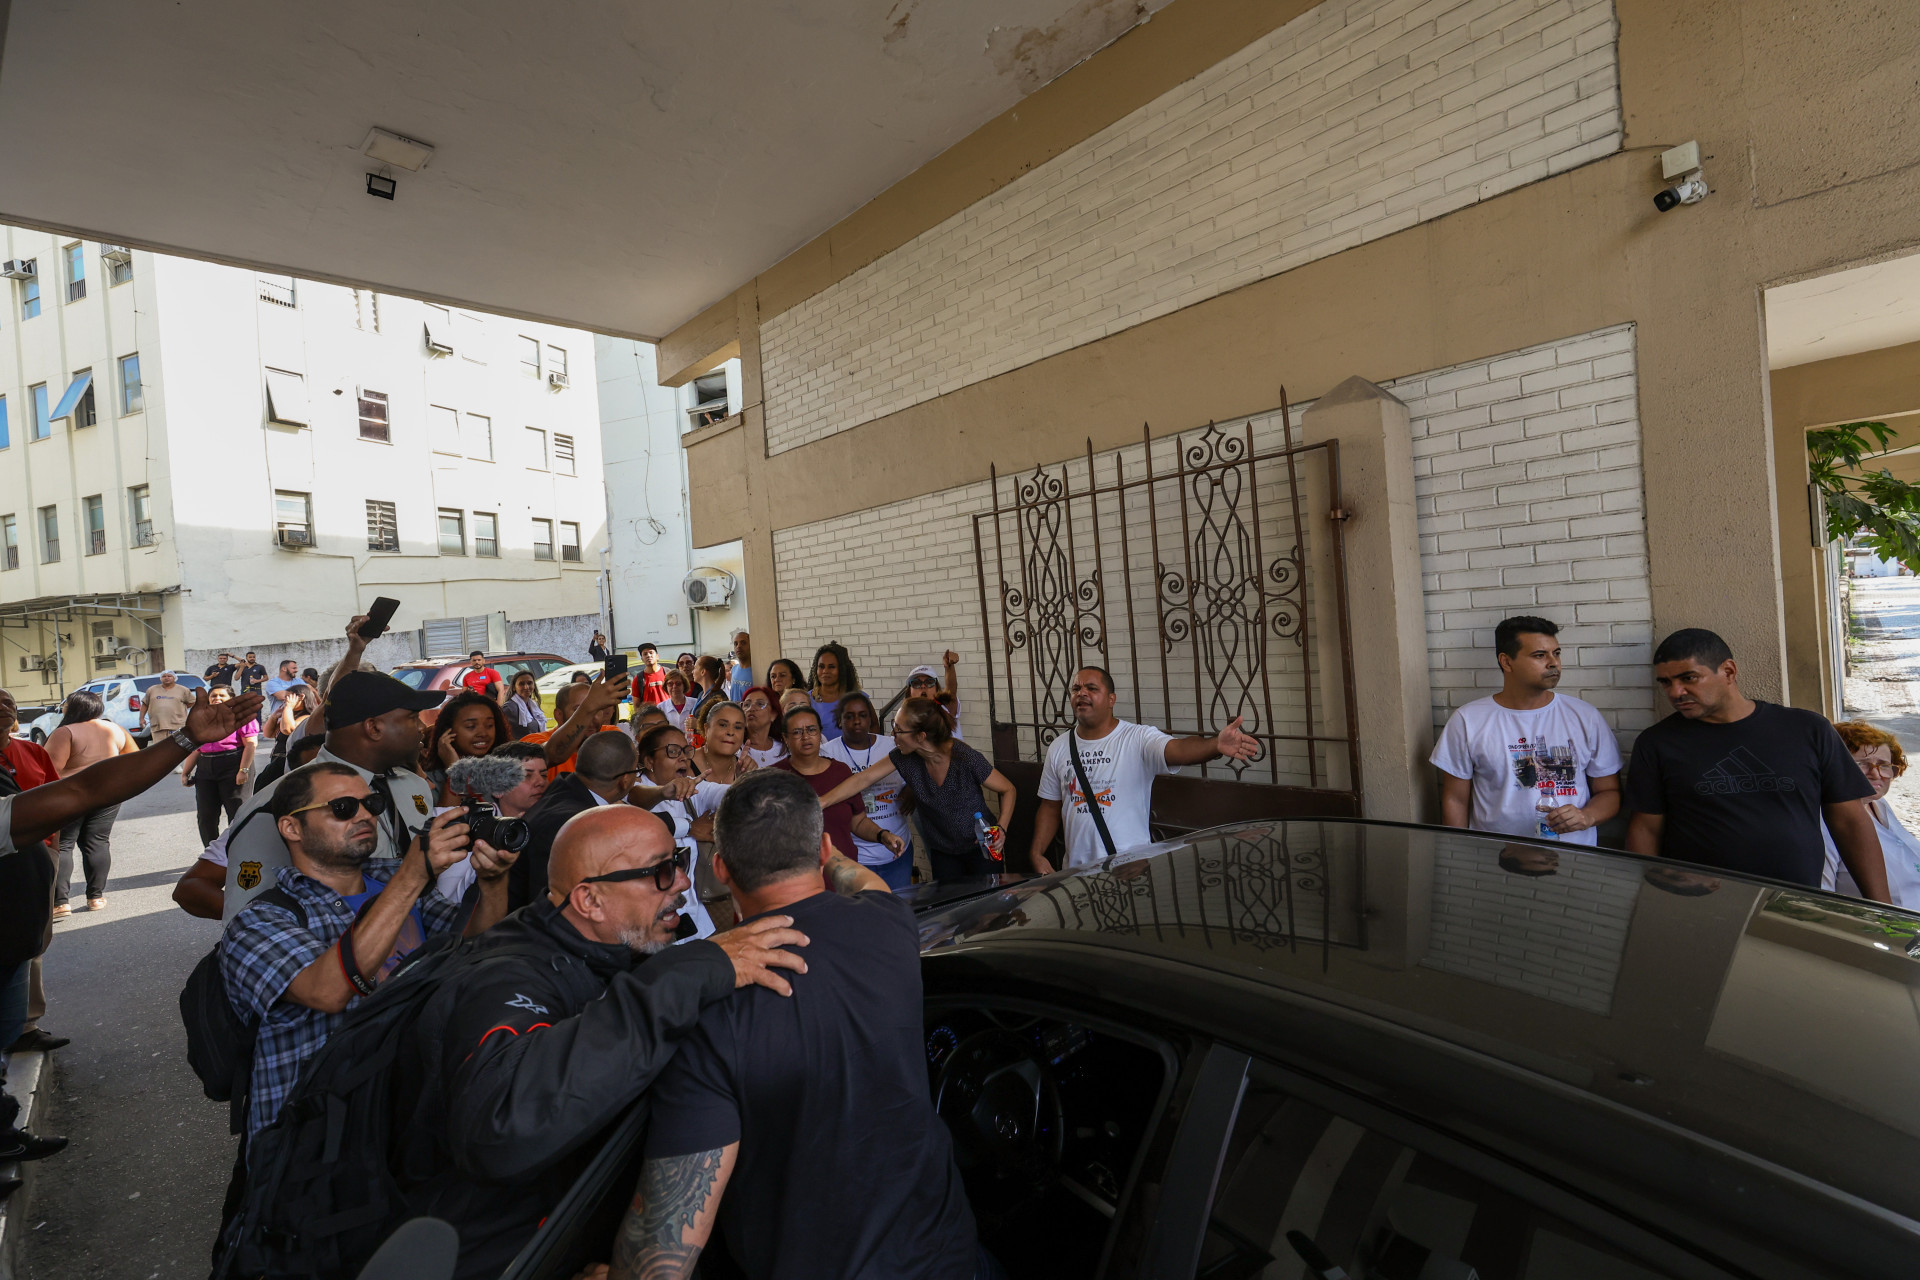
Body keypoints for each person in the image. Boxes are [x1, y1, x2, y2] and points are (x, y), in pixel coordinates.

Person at [388, 804, 809, 1280]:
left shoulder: (599, 951)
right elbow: (503, 1125)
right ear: (589, 901)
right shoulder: (506, 979)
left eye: (682, 864)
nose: (683, 885)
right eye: (661, 873)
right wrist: (687, 976)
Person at [602, 770, 979, 1280]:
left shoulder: (709, 1010)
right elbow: (866, 883)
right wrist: (830, 857)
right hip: (948, 1256)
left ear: (721, 868)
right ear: (822, 849)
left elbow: (663, 1253)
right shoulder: (889, 926)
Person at [218, 762, 515, 1143]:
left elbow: (476, 946)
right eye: (343, 807)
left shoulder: (394, 877)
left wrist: (493, 880)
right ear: (291, 827)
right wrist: (414, 873)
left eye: (370, 804)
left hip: (417, 1114)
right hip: (318, 1144)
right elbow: (327, 991)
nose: (364, 816)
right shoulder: (261, 921)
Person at [1623, 629, 1889, 900]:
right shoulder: (1657, 743)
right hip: (1702, 908)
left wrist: (1884, 909)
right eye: (1666, 683)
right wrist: (1658, 887)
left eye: (1688, 678)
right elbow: (1645, 828)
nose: (1676, 692)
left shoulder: (1807, 729)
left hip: (1794, 904)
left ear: (1728, 671)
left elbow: (1850, 822)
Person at [1028, 666, 1261, 874]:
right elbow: (1050, 805)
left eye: (1091, 688)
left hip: (1128, 870)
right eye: (1076, 688)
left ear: (1111, 699)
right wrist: (1037, 853)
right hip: (1075, 873)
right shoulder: (1059, 747)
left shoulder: (1137, 738)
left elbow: (1178, 749)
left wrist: (1214, 745)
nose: (1082, 693)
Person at [1430, 616, 1622, 844]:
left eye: (1557, 653)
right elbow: (1455, 800)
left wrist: (1586, 816)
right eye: (1540, 655)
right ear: (1506, 662)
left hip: (1574, 862)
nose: (1553, 663)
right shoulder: (1468, 720)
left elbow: (1610, 792)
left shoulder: (1585, 716)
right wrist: (1459, 855)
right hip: (1496, 861)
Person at [819, 697, 1008, 882]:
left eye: (899, 729)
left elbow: (1009, 789)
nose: (893, 734)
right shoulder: (904, 757)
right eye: (894, 725)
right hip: (943, 851)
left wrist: (1001, 828)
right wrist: (822, 801)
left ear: (920, 736)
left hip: (982, 846)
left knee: (988, 904)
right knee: (951, 907)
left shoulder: (965, 758)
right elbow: (863, 779)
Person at [0, 689, 69, 1061]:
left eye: (8, 703)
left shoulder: (31, 751)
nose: (3, 708)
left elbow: (56, 795)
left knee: (34, 941)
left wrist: (52, 847)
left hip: (37, 857)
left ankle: (26, 1025)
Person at [510, 731, 641, 910]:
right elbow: (554, 908)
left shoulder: (563, 790)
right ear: (625, 780)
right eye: (637, 771)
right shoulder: (574, 823)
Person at [46, 690, 139, 914]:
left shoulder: (64, 732)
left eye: (66, 704)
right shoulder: (115, 729)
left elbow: (51, 769)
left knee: (64, 844)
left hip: (71, 793)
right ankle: (95, 898)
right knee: (97, 842)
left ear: (74, 707)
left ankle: (60, 902)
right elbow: (134, 758)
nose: (64, 708)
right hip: (108, 793)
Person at [773, 706, 904, 865]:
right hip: (797, 877)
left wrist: (882, 835)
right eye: (797, 732)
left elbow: (858, 822)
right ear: (785, 738)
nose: (806, 736)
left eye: (811, 729)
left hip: (845, 874)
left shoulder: (840, 771)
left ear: (820, 733)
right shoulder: (774, 777)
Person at [635, 725, 729, 938]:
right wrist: (690, 827)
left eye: (686, 751)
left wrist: (749, 784)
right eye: (673, 751)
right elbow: (638, 821)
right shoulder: (632, 792)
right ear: (649, 761)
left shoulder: (694, 789)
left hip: (694, 921)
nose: (683, 758)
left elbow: (728, 794)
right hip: (650, 928)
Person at [1820, 721, 1920, 906]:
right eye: (1862, 764)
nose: (1876, 774)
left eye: (1884, 765)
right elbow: (1822, 899)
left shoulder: (1878, 805)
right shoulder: (1824, 824)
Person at [822, 693, 914, 889]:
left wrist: (912, 788)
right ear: (839, 720)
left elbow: (919, 772)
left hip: (897, 851)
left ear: (871, 718)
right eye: (849, 716)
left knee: (898, 911)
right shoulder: (827, 753)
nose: (857, 721)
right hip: (855, 855)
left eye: (862, 715)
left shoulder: (892, 746)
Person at [183, 685, 259, 845]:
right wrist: (186, 771)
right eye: (213, 696)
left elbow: (251, 745)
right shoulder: (203, 720)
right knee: (206, 815)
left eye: (221, 696)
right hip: (206, 766)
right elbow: (197, 749)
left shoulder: (241, 717)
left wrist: (243, 770)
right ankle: (211, 854)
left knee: (237, 812)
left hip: (234, 763)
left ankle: (239, 850)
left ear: (231, 699)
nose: (216, 698)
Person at [424, 691, 511, 803]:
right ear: (448, 731)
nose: (483, 733)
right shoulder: (430, 782)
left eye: (489, 725)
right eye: (471, 726)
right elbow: (446, 819)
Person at [690, 701, 754, 785]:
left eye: (738, 727)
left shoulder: (746, 769)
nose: (731, 732)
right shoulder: (684, 764)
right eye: (723, 725)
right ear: (706, 729)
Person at [806, 642, 858, 740]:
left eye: (831, 667)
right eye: (821, 666)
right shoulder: (806, 700)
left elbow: (873, 727)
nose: (825, 671)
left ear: (842, 670)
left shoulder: (857, 698)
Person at [484, 742, 550, 818]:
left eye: (544, 775)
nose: (541, 782)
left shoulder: (563, 821)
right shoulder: (475, 827)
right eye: (526, 776)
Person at [139, 670, 196, 743]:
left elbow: (192, 702)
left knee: (177, 747)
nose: (166, 678)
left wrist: (179, 708)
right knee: (159, 748)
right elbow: (145, 704)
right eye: (164, 676)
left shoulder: (183, 690)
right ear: (161, 678)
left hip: (177, 725)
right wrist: (141, 718)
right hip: (158, 726)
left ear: (174, 678)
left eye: (169, 676)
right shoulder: (152, 689)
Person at [739, 687, 787, 769]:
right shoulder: (736, 748)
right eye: (746, 705)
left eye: (760, 704)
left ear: (773, 714)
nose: (751, 709)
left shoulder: (783, 750)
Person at [502, 671, 547, 740]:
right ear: (514, 687)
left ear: (534, 685)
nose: (526, 687)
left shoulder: (533, 705)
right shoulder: (509, 708)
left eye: (529, 683)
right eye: (521, 684)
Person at [262, 659, 304, 726]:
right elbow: (282, 696)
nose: (296, 670)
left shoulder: (299, 681)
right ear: (284, 669)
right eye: (294, 668)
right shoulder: (273, 683)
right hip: (280, 722)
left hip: (299, 721)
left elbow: (311, 692)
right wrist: (302, 695)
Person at [727, 631, 754, 701]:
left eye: (743, 643)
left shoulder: (757, 671)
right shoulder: (734, 669)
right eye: (736, 644)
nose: (738, 646)